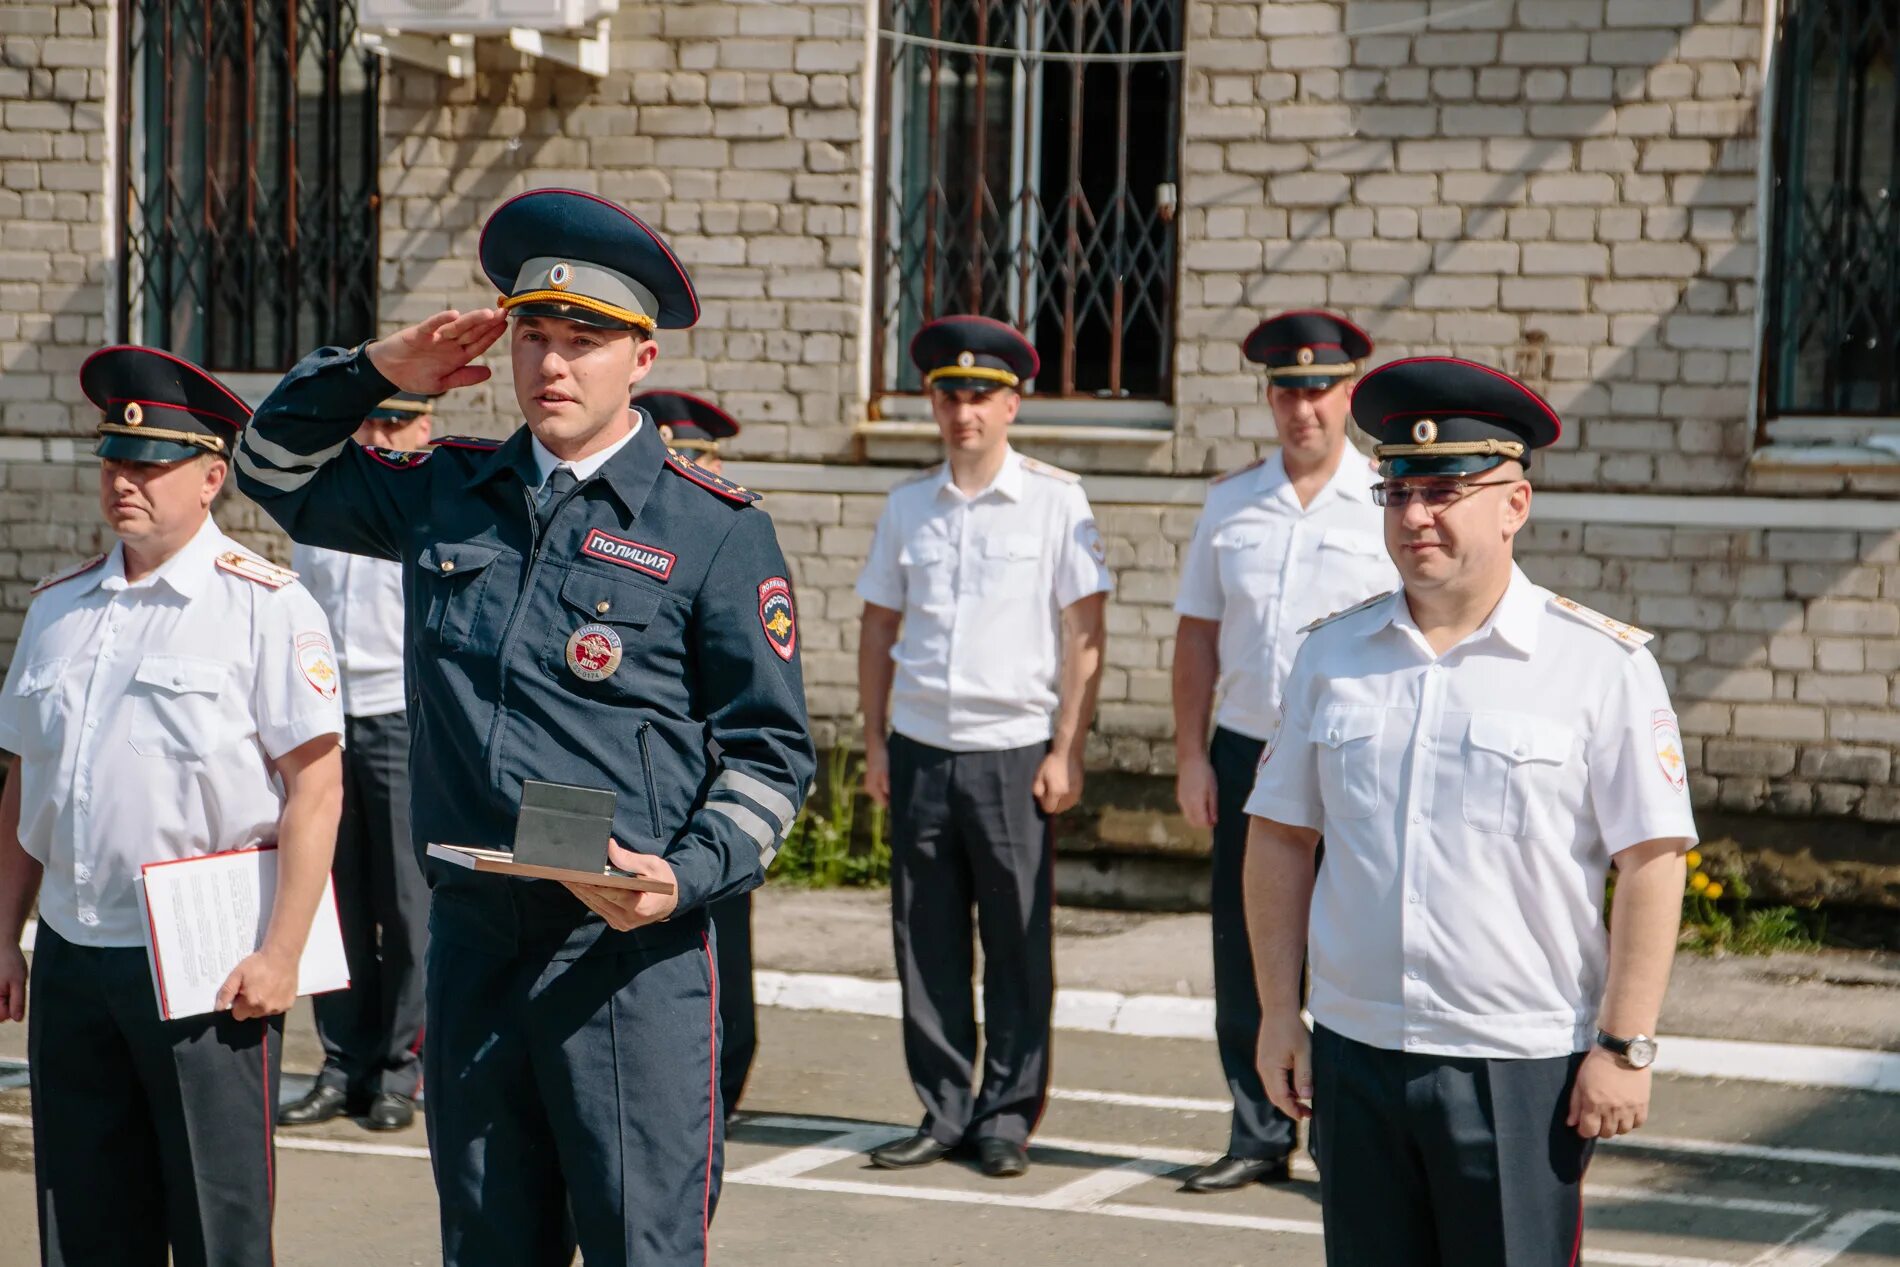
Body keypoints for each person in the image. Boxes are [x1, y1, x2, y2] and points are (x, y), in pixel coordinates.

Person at [233, 188, 816, 1267]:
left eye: (584, 341)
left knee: (641, 1247)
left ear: (640, 358)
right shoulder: (450, 491)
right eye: (533, 336)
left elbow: (772, 756)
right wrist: (373, 369)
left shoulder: (713, 529)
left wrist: (683, 877)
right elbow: (267, 468)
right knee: (490, 1247)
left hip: (622, 952)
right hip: (476, 936)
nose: (552, 364)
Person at [1242, 357, 1698, 1266]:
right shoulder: (1332, 656)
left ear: (1514, 504)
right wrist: (1277, 1012)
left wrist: (1625, 1044)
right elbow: (1280, 835)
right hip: (1357, 1048)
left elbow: (1653, 859)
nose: (1416, 517)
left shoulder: (1597, 664)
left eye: (1446, 491)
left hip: (1517, 1065)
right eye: (1398, 490)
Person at [0, 346, 345, 1267]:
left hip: (206, 959)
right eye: (116, 460)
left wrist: (280, 954)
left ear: (211, 477)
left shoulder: (266, 607)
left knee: (215, 1222)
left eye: (151, 465)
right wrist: (5, 932)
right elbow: (25, 779)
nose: (126, 481)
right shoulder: (60, 608)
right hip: (74, 948)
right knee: (81, 1213)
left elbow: (318, 785)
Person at [855, 315, 1110, 1179]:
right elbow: (878, 625)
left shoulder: (1054, 500)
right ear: (932, 403)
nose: (964, 411)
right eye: (949, 394)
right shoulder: (907, 506)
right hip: (922, 745)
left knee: (1016, 940)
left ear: (1012, 404)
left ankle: (1005, 1111)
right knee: (923, 940)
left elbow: (1083, 633)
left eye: (981, 396)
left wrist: (1065, 748)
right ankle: (942, 1105)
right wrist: (875, 741)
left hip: (1010, 749)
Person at [1170, 311, 1397, 1193]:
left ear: (1349, 394)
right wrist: (1190, 754)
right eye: (1287, 390)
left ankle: (1346, 1136)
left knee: (1345, 947)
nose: (1303, 408)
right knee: (1249, 943)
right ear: (1269, 397)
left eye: (1320, 390)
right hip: (1248, 752)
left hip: (1350, 757)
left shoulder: (1385, 496)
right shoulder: (1232, 502)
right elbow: (1197, 637)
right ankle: (1258, 1128)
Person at [278, 391, 435, 1133]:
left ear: (426, 424)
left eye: (398, 420)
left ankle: (402, 1068)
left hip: (402, 719)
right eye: (369, 418)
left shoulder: (431, 499)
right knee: (331, 902)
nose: (381, 432)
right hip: (324, 724)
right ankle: (342, 1063)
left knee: (407, 907)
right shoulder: (332, 498)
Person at [631, 387, 758, 1121]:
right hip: (640, 787)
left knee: (722, 939)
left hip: (709, 780)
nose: (684, 465)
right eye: (673, 450)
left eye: (698, 455)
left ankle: (724, 1074)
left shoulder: (729, 534)